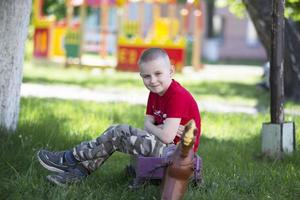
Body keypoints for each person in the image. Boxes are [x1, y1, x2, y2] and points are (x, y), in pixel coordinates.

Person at [37, 48, 201, 186]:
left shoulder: (176, 95)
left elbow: (166, 136)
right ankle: (78, 171)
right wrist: (156, 127)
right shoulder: (155, 93)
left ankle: (70, 158)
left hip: (178, 154)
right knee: (117, 129)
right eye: (147, 76)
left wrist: (154, 127)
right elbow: (151, 128)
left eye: (158, 73)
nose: (153, 81)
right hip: (163, 145)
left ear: (171, 70)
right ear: (141, 76)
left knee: (119, 139)